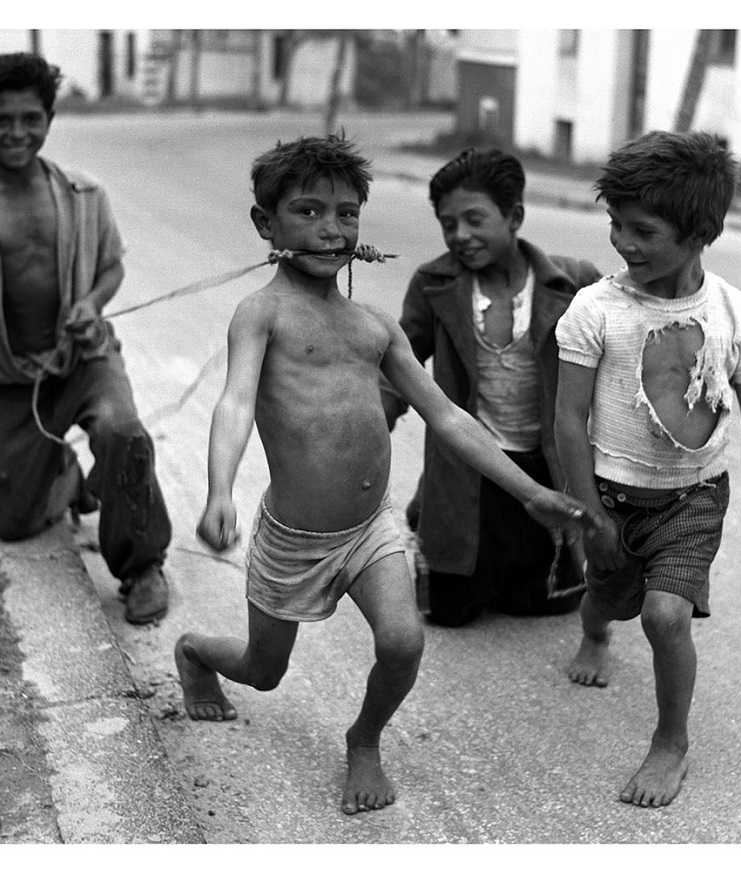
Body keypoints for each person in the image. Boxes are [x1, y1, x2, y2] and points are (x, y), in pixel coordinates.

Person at [174, 134, 598, 816]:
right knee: (265, 669)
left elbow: (450, 417)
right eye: (308, 212)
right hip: (294, 538)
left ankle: (363, 738)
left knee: (403, 639)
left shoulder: (374, 327)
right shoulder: (262, 314)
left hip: (369, 531)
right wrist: (220, 488)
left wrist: (532, 492)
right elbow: (234, 402)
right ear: (266, 225)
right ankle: (195, 650)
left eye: (346, 214)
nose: (331, 229)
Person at [555, 130, 741, 808]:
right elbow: (569, 418)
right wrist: (586, 509)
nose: (622, 242)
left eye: (642, 230)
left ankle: (670, 743)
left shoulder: (736, 313)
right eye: (615, 225)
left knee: (663, 616)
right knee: (606, 595)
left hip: (692, 499)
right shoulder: (595, 308)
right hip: (609, 497)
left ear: (699, 233)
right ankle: (594, 631)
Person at [0, 53, 172, 625]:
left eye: (31, 118)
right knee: (6, 520)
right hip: (9, 380)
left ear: (50, 119)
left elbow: (111, 268)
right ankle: (62, 473)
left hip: (83, 360)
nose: (17, 132)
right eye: (0, 120)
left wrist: (91, 303)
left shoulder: (85, 195)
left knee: (123, 432)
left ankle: (142, 566)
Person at [381, 149, 602, 627]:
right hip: (468, 470)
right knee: (450, 611)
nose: (460, 235)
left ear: (514, 216)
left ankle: (518, 548)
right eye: (448, 223)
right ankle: (429, 512)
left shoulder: (576, 284)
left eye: (475, 219)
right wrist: (370, 425)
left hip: (545, 471)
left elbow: (617, 370)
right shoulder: (434, 285)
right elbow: (400, 368)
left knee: (538, 604)